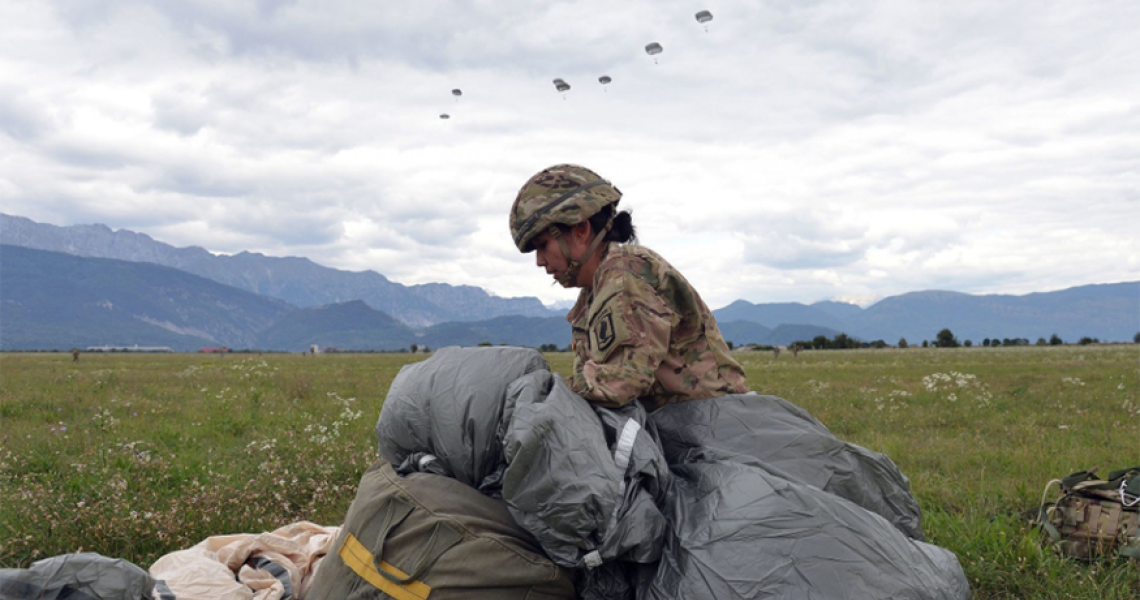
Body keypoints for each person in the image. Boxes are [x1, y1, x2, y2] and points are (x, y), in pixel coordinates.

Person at [509, 164, 748, 411]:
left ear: (580, 230)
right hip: (685, 427)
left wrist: (540, 396)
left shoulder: (624, 277)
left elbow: (618, 384)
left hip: (711, 428)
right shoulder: (596, 289)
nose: (539, 261)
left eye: (543, 245)